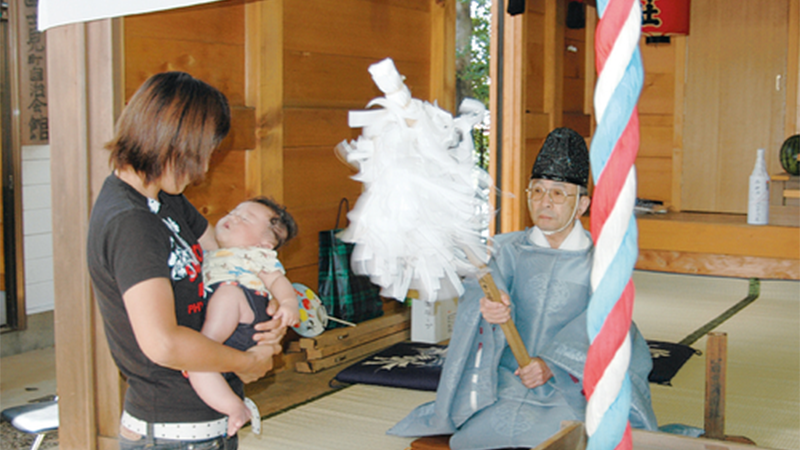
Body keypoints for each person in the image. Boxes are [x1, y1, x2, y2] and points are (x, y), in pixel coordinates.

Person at [388, 127, 657, 449]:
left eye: (558, 194)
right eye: (537, 191)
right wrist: (488, 306)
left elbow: (607, 324)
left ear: (582, 204)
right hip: (507, 378)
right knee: (477, 435)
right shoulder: (505, 249)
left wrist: (550, 364)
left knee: (570, 435)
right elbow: (483, 288)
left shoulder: (603, 263)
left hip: (572, 382)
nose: (545, 202)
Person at [87, 71, 285, 450]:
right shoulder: (130, 221)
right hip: (170, 431)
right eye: (203, 153)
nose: (205, 168)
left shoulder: (165, 198)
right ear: (175, 143)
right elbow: (163, 343)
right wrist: (248, 363)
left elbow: (224, 255)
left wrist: (268, 301)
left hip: (205, 423)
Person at [188, 197, 300, 436]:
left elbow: (278, 282)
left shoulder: (256, 256)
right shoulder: (212, 253)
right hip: (228, 324)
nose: (233, 217)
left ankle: (206, 342)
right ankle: (234, 407)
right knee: (198, 367)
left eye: (245, 218)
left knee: (228, 292)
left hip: (246, 315)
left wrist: (289, 304)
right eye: (233, 211)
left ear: (264, 244)